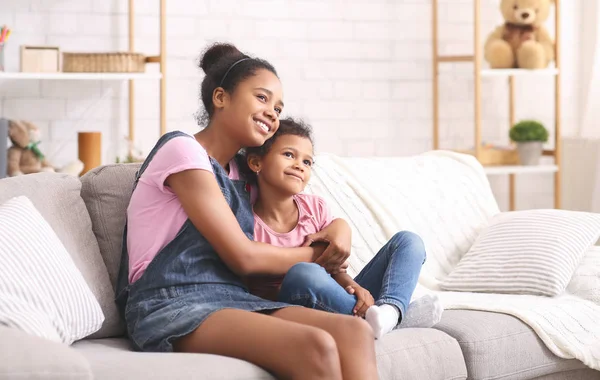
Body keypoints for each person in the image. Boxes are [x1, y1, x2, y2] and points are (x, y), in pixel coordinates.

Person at [114, 42, 379, 380]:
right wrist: (319, 255)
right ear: (221, 98)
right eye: (262, 98)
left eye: (279, 108)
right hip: (167, 302)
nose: (272, 113)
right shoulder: (182, 151)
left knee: (354, 333)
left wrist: (341, 227)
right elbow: (244, 258)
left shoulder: (242, 171)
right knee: (316, 345)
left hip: (230, 297)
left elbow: (297, 204)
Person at [242, 117, 444, 339]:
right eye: (289, 155)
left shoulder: (315, 207)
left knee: (408, 241)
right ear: (256, 163)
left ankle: (389, 312)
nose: (299, 165)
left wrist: (354, 287)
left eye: (307, 162)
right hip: (294, 308)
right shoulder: (246, 220)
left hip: (337, 295)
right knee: (304, 273)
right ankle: (386, 321)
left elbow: (335, 269)